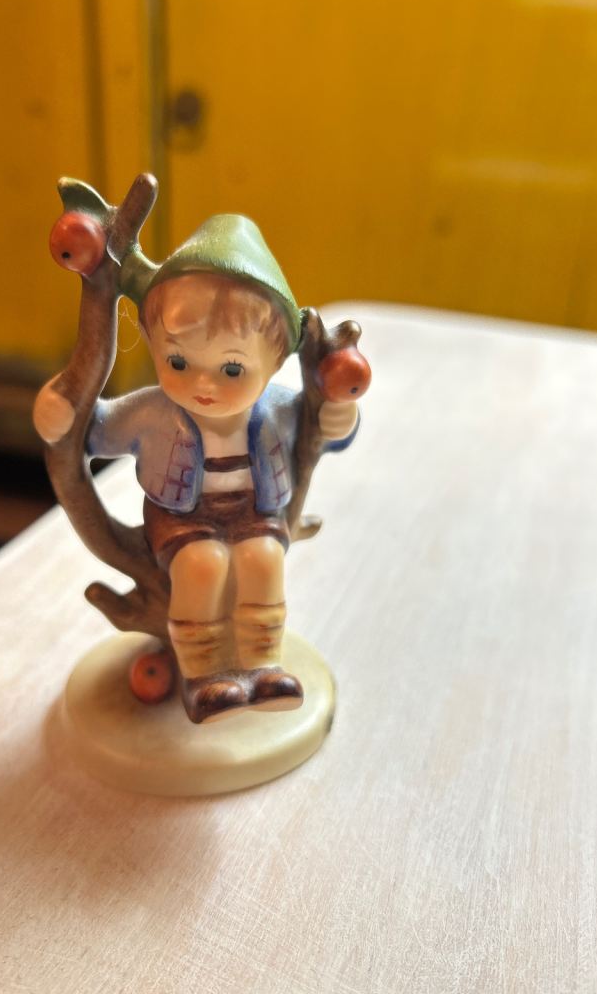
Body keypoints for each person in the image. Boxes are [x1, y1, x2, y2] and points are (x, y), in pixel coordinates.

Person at [39, 214, 358, 723]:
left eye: (232, 369)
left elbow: (320, 429)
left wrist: (340, 413)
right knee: (201, 565)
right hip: (182, 518)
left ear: (275, 361)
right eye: (179, 363)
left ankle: (261, 666)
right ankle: (204, 675)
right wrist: (58, 410)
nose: (203, 385)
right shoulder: (154, 414)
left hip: (255, 510)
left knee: (263, 560)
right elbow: (92, 428)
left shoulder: (276, 410)